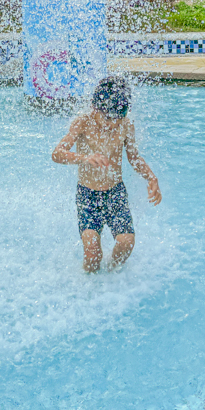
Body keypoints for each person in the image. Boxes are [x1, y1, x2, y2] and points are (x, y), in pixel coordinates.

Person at [52, 76, 162, 272]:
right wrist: (83, 158)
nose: (112, 124)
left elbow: (134, 158)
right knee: (93, 252)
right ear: (96, 108)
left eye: (117, 118)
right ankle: (90, 285)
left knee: (127, 243)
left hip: (115, 193)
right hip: (88, 195)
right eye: (108, 118)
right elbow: (57, 154)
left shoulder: (126, 125)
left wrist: (151, 177)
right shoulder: (82, 123)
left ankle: (112, 274)